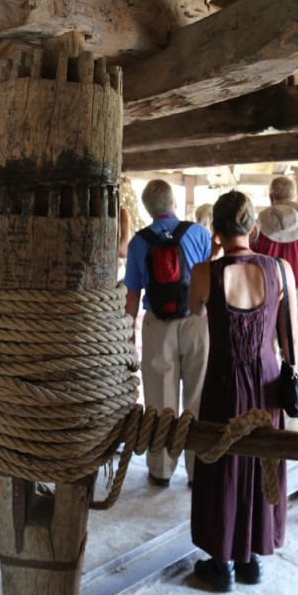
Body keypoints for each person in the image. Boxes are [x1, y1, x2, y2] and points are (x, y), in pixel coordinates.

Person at [188, 191, 298, 592]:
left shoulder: (204, 273)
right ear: (253, 227)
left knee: (221, 466)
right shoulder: (280, 269)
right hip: (267, 380)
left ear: (216, 231)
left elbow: (196, 309)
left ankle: (222, 564)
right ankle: (251, 559)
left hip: (223, 381)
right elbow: (289, 337)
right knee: (260, 462)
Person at [125, 179, 211, 488]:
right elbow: (209, 278)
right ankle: (198, 470)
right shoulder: (199, 233)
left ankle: (161, 469)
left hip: (158, 325)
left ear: (148, 208)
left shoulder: (138, 242)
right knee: (198, 395)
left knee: (161, 399)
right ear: (173, 201)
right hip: (197, 320)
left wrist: (127, 333)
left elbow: (132, 293)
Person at [252, 175, 298, 429]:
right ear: (294, 199)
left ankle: (265, 417)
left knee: (264, 356)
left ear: (271, 197)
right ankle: (295, 422)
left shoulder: (257, 226)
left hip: (262, 295)